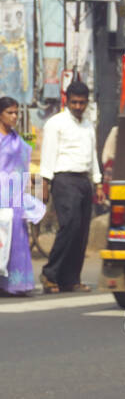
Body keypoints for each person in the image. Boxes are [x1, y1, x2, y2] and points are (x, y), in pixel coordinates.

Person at [39, 80, 103, 293]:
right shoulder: (55, 123)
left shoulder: (88, 124)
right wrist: (44, 185)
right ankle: (50, 274)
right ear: (67, 100)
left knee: (82, 231)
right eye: (74, 102)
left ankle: (71, 279)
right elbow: (48, 154)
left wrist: (98, 181)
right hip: (64, 179)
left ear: (87, 102)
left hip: (84, 180)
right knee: (70, 226)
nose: (78, 107)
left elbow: (92, 154)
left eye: (82, 103)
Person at [0, 95, 41, 296]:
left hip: (15, 197)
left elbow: (25, 164)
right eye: (10, 113)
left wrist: (34, 183)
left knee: (16, 239)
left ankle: (16, 283)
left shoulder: (19, 140)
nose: (14, 116)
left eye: (16, 112)